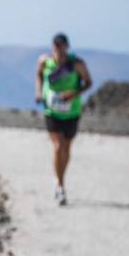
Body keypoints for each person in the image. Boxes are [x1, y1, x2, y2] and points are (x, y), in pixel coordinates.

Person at [35, 32, 92, 205]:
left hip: (71, 111)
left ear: (67, 46)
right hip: (52, 111)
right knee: (58, 146)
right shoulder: (45, 61)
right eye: (55, 46)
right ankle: (60, 186)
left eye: (61, 46)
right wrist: (38, 93)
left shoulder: (76, 64)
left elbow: (88, 83)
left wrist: (74, 93)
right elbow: (39, 75)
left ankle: (60, 175)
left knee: (66, 147)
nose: (58, 49)